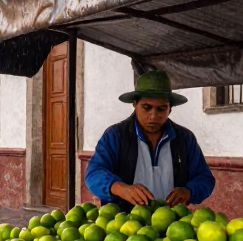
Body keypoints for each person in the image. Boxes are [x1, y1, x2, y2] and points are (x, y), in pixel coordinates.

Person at [85, 70, 215, 210]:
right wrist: (120, 188)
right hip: (124, 225)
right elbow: (94, 172)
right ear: (135, 104)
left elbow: (205, 178)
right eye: (146, 108)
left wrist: (189, 192)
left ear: (170, 108)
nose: (153, 116)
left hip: (172, 226)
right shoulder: (115, 135)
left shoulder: (185, 139)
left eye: (161, 109)